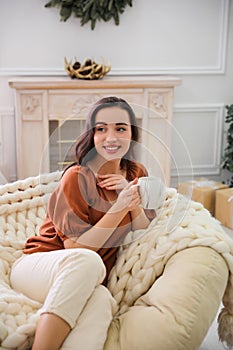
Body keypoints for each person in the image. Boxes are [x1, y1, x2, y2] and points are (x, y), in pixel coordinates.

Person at [10, 96, 156, 350]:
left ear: (132, 133)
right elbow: (79, 249)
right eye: (101, 129)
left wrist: (131, 197)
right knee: (89, 262)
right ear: (92, 135)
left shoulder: (137, 173)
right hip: (39, 266)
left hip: (88, 276)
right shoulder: (77, 176)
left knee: (102, 299)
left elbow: (143, 227)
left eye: (121, 128)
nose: (111, 137)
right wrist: (119, 205)